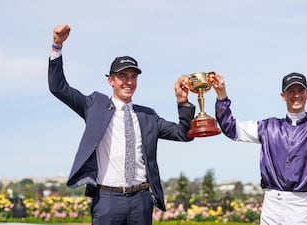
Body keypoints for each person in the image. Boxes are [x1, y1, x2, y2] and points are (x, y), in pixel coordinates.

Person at [48, 24, 196, 225]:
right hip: (107, 200)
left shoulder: (147, 116)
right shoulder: (94, 105)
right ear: (111, 81)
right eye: (122, 76)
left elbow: (183, 134)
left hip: (141, 200)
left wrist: (183, 103)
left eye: (133, 77)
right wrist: (57, 45)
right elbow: (59, 88)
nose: (129, 82)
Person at [211, 72, 307, 225]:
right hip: (271, 205)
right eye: (291, 91)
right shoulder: (268, 127)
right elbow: (230, 128)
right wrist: (221, 94)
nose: (296, 95)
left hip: (301, 207)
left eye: (300, 91)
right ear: (283, 95)